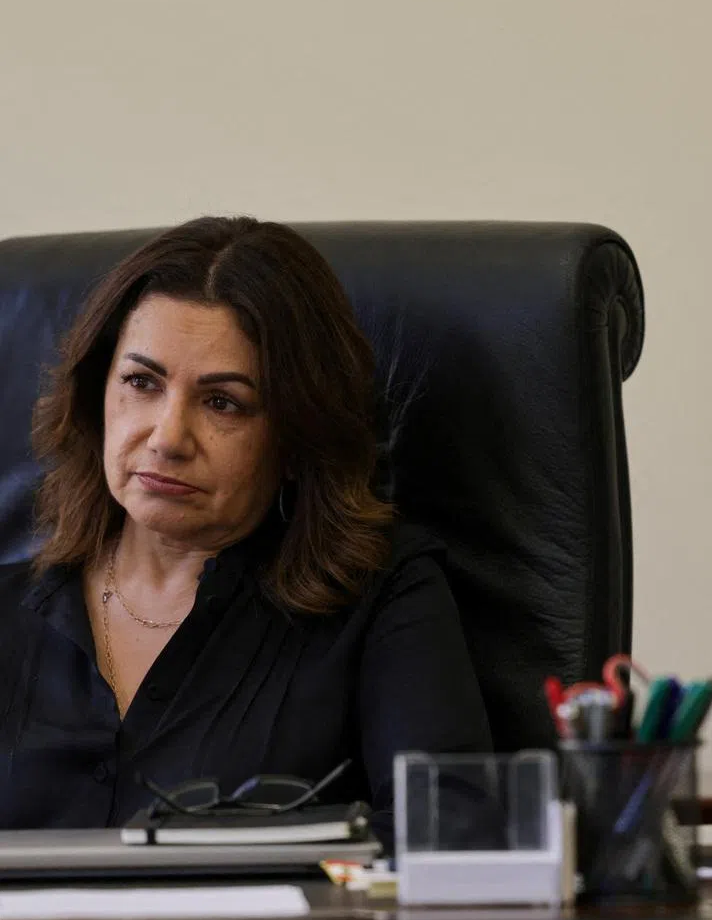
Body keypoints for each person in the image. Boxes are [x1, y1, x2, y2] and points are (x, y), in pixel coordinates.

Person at [0, 216, 492, 839]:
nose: (168, 437)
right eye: (141, 383)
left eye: (222, 402)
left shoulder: (384, 601)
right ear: (97, 396)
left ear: (295, 437)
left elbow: (449, 836)